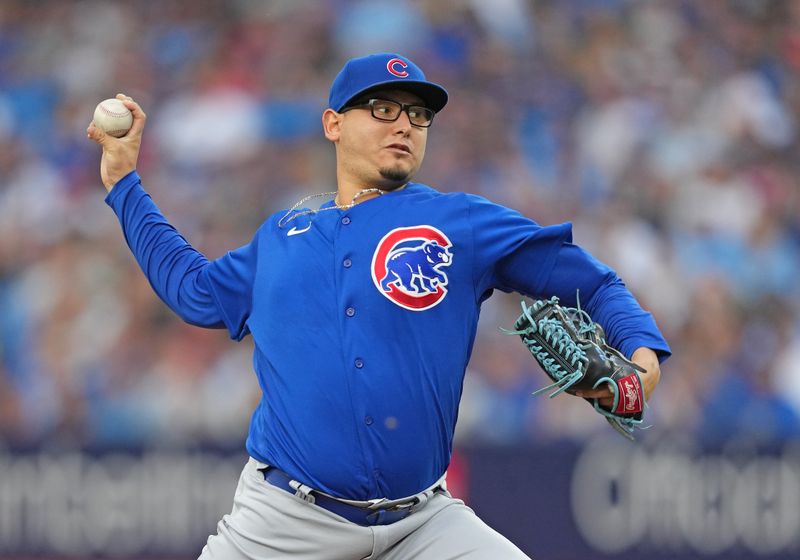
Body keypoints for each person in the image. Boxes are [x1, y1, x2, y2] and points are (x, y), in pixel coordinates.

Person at [87, 52, 670, 559]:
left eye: (418, 114)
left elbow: (592, 283)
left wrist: (642, 362)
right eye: (383, 109)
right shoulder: (280, 239)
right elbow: (192, 290)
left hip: (422, 524)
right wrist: (124, 184)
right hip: (285, 522)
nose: (405, 125)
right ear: (333, 124)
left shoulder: (460, 221)